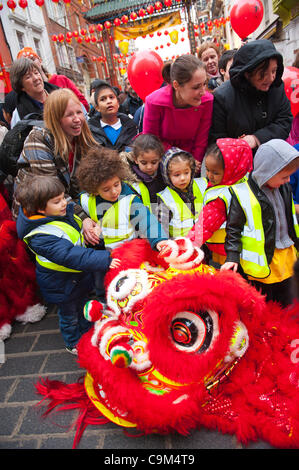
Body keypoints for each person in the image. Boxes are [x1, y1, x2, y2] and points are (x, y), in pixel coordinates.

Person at [16, 175, 120, 354]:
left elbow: (75, 224)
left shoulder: (60, 213)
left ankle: (86, 329)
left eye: (63, 197)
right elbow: (69, 255)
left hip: (75, 278)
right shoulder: (40, 236)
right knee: (69, 315)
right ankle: (73, 343)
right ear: (41, 208)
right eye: (57, 201)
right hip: (61, 283)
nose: (64, 203)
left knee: (81, 306)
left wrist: (90, 228)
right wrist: (104, 259)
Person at [12, 88, 99, 246]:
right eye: (69, 115)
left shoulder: (81, 138)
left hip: (65, 207)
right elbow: (53, 189)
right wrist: (84, 219)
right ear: (55, 118)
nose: (77, 119)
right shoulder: (38, 139)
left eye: (79, 112)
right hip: (37, 215)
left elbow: (83, 182)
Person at [221, 139, 299, 307]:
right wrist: (232, 256)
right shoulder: (242, 194)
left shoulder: (284, 188)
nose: (287, 180)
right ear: (268, 172)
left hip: (286, 254)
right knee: (265, 301)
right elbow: (233, 228)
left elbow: (290, 219)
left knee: (288, 298)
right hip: (263, 260)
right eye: (284, 176)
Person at [77, 146, 168, 252]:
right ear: (94, 190)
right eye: (106, 189)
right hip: (101, 256)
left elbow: (147, 220)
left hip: (130, 252)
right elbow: (73, 212)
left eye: (116, 184)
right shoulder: (85, 199)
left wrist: (159, 240)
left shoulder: (129, 200)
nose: (114, 191)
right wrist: (84, 220)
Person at [209, 39, 293, 150]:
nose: (271, 78)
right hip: (239, 164)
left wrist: (256, 138)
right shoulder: (222, 98)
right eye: (263, 74)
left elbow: (284, 121)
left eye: (274, 71)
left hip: (273, 160)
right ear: (247, 73)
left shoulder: (277, 88)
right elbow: (217, 143)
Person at [143, 54, 213, 174]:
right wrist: (179, 159)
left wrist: (193, 162)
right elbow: (152, 140)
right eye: (196, 87)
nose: (203, 92)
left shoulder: (207, 101)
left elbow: (201, 139)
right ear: (176, 85)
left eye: (204, 84)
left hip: (191, 165)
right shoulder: (155, 102)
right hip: (162, 162)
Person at [187, 138, 253, 267]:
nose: (209, 175)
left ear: (232, 169)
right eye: (207, 170)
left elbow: (204, 226)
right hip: (244, 248)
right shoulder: (245, 181)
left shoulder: (220, 197)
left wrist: (186, 246)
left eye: (215, 172)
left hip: (224, 251)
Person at [17, 47, 89, 113]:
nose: (30, 64)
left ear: (39, 60)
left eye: (32, 59)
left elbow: (83, 102)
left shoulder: (61, 79)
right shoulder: (23, 102)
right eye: (28, 76)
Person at [157, 147, 208, 238]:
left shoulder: (203, 185)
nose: (182, 178)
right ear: (167, 176)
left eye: (186, 173)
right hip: (181, 247)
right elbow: (162, 229)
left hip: (205, 242)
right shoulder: (165, 198)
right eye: (177, 175)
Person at [88, 82, 137, 152]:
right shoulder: (91, 130)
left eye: (111, 97)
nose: (109, 101)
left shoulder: (130, 126)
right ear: (97, 107)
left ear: (118, 103)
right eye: (103, 99)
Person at [9, 58, 58, 128]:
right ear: (21, 86)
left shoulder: (61, 95)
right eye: (28, 77)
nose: (36, 78)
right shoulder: (19, 114)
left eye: (36, 73)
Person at [125, 133, 166, 214]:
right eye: (144, 163)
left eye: (154, 162)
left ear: (160, 158)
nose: (149, 167)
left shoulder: (164, 175)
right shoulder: (130, 180)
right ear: (135, 159)